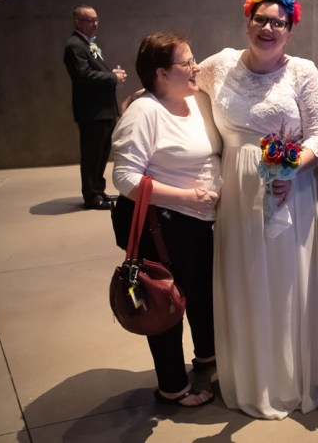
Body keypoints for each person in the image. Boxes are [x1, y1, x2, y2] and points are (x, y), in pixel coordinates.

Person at [197, 0, 318, 419]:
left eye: (278, 23)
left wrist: (290, 170)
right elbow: (180, 82)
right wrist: (141, 101)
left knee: (287, 282)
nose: (268, 28)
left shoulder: (303, 72)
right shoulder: (220, 64)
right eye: (260, 19)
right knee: (245, 278)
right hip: (237, 192)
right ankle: (254, 377)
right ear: (247, 21)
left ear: (290, 30)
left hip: (292, 192)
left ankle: (291, 378)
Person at [112, 32, 221, 407]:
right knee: (165, 302)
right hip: (165, 226)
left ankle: (207, 358)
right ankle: (173, 387)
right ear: (161, 73)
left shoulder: (197, 101)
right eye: (187, 61)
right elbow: (125, 178)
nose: (196, 67)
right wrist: (186, 197)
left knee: (202, 294)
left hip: (201, 223)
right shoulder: (144, 111)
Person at [64, 5, 128, 210]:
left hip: (103, 109)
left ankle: (99, 191)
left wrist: (112, 75)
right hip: (92, 111)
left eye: (96, 19)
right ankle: (91, 196)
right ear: (78, 22)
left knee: (101, 154)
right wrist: (112, 77)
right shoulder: (74, 46)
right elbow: (84, 76)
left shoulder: (87, 44)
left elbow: (94, 72)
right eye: (91, 20)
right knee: (92, 155)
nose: (96, 24)